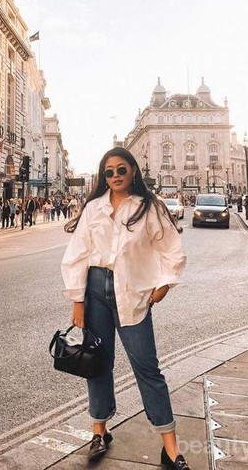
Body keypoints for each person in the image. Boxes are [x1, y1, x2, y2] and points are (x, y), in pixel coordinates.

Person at [61, 147, 189, 468]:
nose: (115, 176)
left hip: (132, 292)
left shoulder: (149, 207)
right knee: (97, 363)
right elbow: (77, 254)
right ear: (103, 176)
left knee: (147, 368)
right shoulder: (94, 208)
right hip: (95, 291)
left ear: (133, 170)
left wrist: (164, 284)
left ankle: (171, 448)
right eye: (109, 171)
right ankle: (99, 431)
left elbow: (172, 249)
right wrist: (78, 300)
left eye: (121, 169)